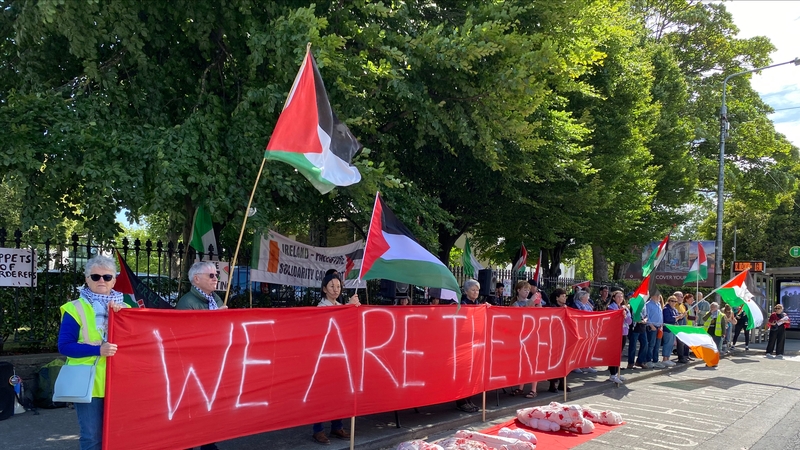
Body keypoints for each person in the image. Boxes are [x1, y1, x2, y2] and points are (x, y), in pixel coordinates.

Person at [58, 255, 128, 450]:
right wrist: (98, 350)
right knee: (92, 438)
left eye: (107, 277)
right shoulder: (75, 308)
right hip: (88, 384)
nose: (101, 281)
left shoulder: (127, 309)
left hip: (119, 383)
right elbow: (65, 346)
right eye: (95, 276)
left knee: (118, 436)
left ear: (114, 280)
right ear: (87, 278)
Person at [176, 262, 229, 450]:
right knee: (192, 407)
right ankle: (188, 443)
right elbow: (185, 336)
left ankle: (208, 441)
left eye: (216, 275)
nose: (216, 279)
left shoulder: (216, 299)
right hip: (194, 366)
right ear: (196, 279)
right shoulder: (186, 303)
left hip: (213, 361)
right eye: (211, 276)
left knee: (209, 405)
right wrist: (213, 318)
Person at [312, 272, 359, 444]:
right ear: (324, 289)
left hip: (340, 356)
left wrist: (353, 309)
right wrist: (347, 307)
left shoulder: (340, 305)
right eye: (332, 286)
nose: (335, 289)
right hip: (325, 357)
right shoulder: (321, 307)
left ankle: (337, 426)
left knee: (339, 393)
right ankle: (318, 429)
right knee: (322, 395)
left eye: (338, 286)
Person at [455, 279, 481, 412]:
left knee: (472, 372)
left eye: (477, 290)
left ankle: (469, 398)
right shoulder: (461, 304)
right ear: (466, 291)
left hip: (474, 343)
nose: (476, 292)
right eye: (473, 290)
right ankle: (461, 400)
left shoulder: (478, 304)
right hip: (463, 342)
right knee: (463, 372)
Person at [509, 281, 537, 398]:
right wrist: (531, 301)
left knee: (532, 362)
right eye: (524, 289)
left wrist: (537, 303)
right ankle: (520, 387)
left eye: (528, 290)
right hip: (520, 336)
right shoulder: (515, 304)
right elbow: (520, 314)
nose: (527, 292)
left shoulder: (531, 302)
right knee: (521, 362)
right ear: (518, 290)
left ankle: (533, 389)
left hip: (531, 335)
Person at [547, 288, 571, 393]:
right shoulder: (553, 308)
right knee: (555, 361)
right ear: (557, 298)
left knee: (564, 361)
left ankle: (562, 383)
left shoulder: (565, 308)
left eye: (565, 296)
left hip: (564, 337)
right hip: (554, 338)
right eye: (563, 296)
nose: (565, 298)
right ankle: (553, 384)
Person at [607, 290, 630, 384]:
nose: (620, 298)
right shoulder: (611, 307)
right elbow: (612, 319)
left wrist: (625, 316)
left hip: (624, 332)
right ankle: (613, 374)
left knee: (619, 353)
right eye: (618, 297)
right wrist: (621, 315)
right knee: (614, 353)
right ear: (613, 298)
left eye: (621, 296)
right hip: (615, 333)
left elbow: (629, 321)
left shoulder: (625, 308)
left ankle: (617, 372)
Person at [661, 296, 682, 367]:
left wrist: (680, 316)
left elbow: (676, 317)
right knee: (667, 343)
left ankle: (668, 358)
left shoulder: (675, 309)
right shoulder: (666, 309)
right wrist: (677, 317)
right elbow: (667, 319)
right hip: (667, 329)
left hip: (673, 329)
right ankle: (665, 359)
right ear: (669, 301)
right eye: (672, 301)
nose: (673, 303)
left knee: (671, 344)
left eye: (675, 301)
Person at [645, 294, 665, 368]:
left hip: (659, 327)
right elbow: (647, 316)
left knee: (657, 345)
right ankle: (648, 360)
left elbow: (660, 315)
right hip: (652, 327)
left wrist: (661, 325)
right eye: (657, 296)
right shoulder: (648, 304)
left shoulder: (658, 304)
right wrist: (651, 325)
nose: (659, 297)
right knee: (651, 344)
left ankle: (655, 360)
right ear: (652, 296)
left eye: (659, 296)